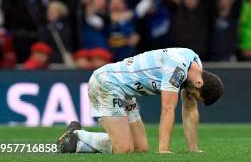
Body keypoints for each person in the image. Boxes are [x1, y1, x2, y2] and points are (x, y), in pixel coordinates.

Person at [56, 47, 224, 154]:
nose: (192, 97)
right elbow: (167, 109)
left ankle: (77, 145)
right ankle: (78, 135)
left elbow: (190, 109)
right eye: (196, 96)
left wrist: (193, 149)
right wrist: (163, 150)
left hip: (126, 92)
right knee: (123, 149)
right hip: (107, 83)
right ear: (199, 83)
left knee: (140, 149)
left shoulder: (196, 67)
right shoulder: (177, 69)